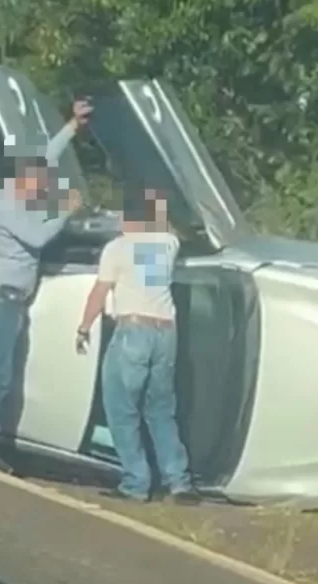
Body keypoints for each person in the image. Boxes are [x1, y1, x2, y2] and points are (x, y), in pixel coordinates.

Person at [0, 100, 92, 473]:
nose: (44, 183)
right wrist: (66, 209)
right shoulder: (9, 205)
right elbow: (38, 237)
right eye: (38, 180)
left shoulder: (12, 195)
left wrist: (72, 127)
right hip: (2, 297)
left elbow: (46, 157)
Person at [75, 184, 201, 505]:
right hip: (166, 333)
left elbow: (99, 294)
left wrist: (84, 327)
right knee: (160, 410)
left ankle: (136, 482)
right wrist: (156, 203)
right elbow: (168, 225)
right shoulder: (168, 244)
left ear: (127, 220)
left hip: (133, 331)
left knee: (121, 408)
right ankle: (179, 482)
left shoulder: (117, 249)